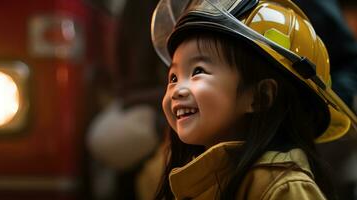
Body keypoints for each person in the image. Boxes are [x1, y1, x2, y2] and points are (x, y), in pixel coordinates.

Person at [149, 0, 357, 199]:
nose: (177, 90)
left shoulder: (284, 188)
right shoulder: (196, 181)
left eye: (198, 71)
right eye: (173, 77)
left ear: (261, 97)